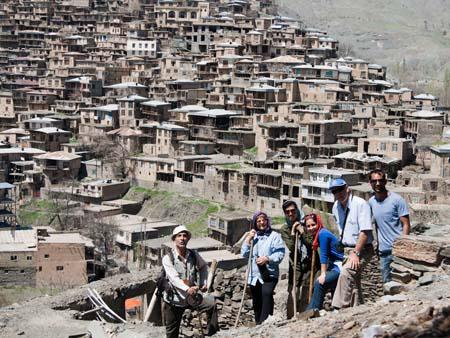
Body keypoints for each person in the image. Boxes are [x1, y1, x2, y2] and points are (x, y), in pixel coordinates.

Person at [162, 225, 219, 338]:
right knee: (172, 333)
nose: (182, 238)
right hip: (174, 301)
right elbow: (174, 279)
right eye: (179, 236)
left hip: (191, 298)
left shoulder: (193, 255)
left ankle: (214, 334)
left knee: (211, 305)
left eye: (185, 236)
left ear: (188, 239)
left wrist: (203, 282)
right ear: (174, 239)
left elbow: (203, 267)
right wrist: (188, 289)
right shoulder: (168, 258)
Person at [329, 178, 374, 309]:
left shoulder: (360, 204)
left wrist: (356, 253)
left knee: (346, 273)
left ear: (347, 188)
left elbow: (365, 231)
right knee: (354, 283)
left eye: (340, 189)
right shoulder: (336, 207)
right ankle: (356, 309)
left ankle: (338, 307)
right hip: (347, 250)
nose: (338, 193)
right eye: (334, 191)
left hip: (362, 249)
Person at [241, 211, 285, 325]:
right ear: (255, 223)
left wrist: (267, 258)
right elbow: (244, 253)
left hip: (269, 274)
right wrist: (248, 238)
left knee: (266, 293)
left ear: (267, 221)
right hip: (254, 275)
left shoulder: (274, 236)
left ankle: (265, 322)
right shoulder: (253, 236)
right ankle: (258, 323)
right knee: (257, 300)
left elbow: (280, 254)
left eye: (264, 220)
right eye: (258, 221)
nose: (262, 223)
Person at [368, 169, 410, 283]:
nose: (377, 183)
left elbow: (406, 224)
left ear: (385, 181)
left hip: (397, 249)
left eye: (380, 180)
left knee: (400, 283)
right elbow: (375, 225)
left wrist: (403, 245)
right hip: (384, 251)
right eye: (374, 181)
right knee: (387, 283)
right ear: (370, 183)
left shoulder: (397, 200)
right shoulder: (371, 202)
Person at [280, 200, 317, 318]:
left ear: (297, 211)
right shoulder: (284, 229)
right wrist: (293, 232)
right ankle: (290, 318)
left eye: (293, 211)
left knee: (306, 291)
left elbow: (311, 243)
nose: (290, 214)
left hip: (308, 262)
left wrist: (302, 231)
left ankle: (303, 316)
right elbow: (291, 247)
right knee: (293, 292)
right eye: (287, 212)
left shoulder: (307, 223)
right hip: (295, 264)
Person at [304, 213, 344, 311]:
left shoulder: (322, 234)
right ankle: (335, 307)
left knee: (319, 282)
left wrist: (323, 274)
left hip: (339, 265)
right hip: (334, 265)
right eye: (308, 226)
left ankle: (312, 310)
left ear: (318, 223)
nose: (311, 228)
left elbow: (324, 255)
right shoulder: (318, 234)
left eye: (313, 225)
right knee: (326, 282)